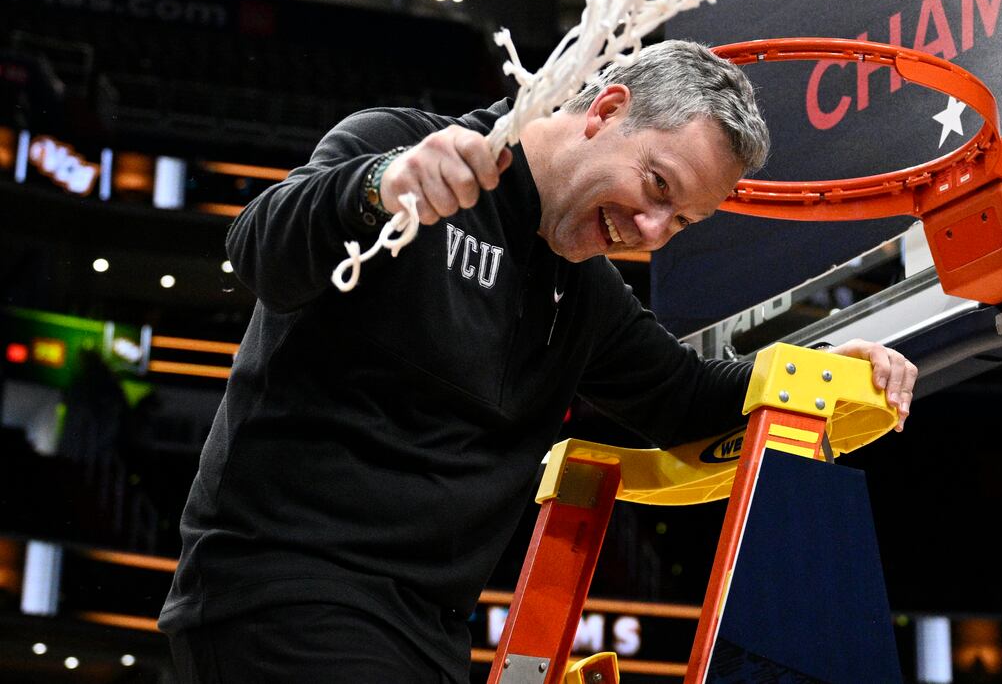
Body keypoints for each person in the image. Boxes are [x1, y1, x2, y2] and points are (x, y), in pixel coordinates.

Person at [159, 40, 918, 683]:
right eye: (656, 185)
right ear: (606, 110)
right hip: (283, 596)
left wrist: (825, 373)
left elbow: (687, 399)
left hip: (427, 639)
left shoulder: (585, 293)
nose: (651, 229)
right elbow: (257, 250)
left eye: (680, 219)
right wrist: (377, 187)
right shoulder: (409, 154)